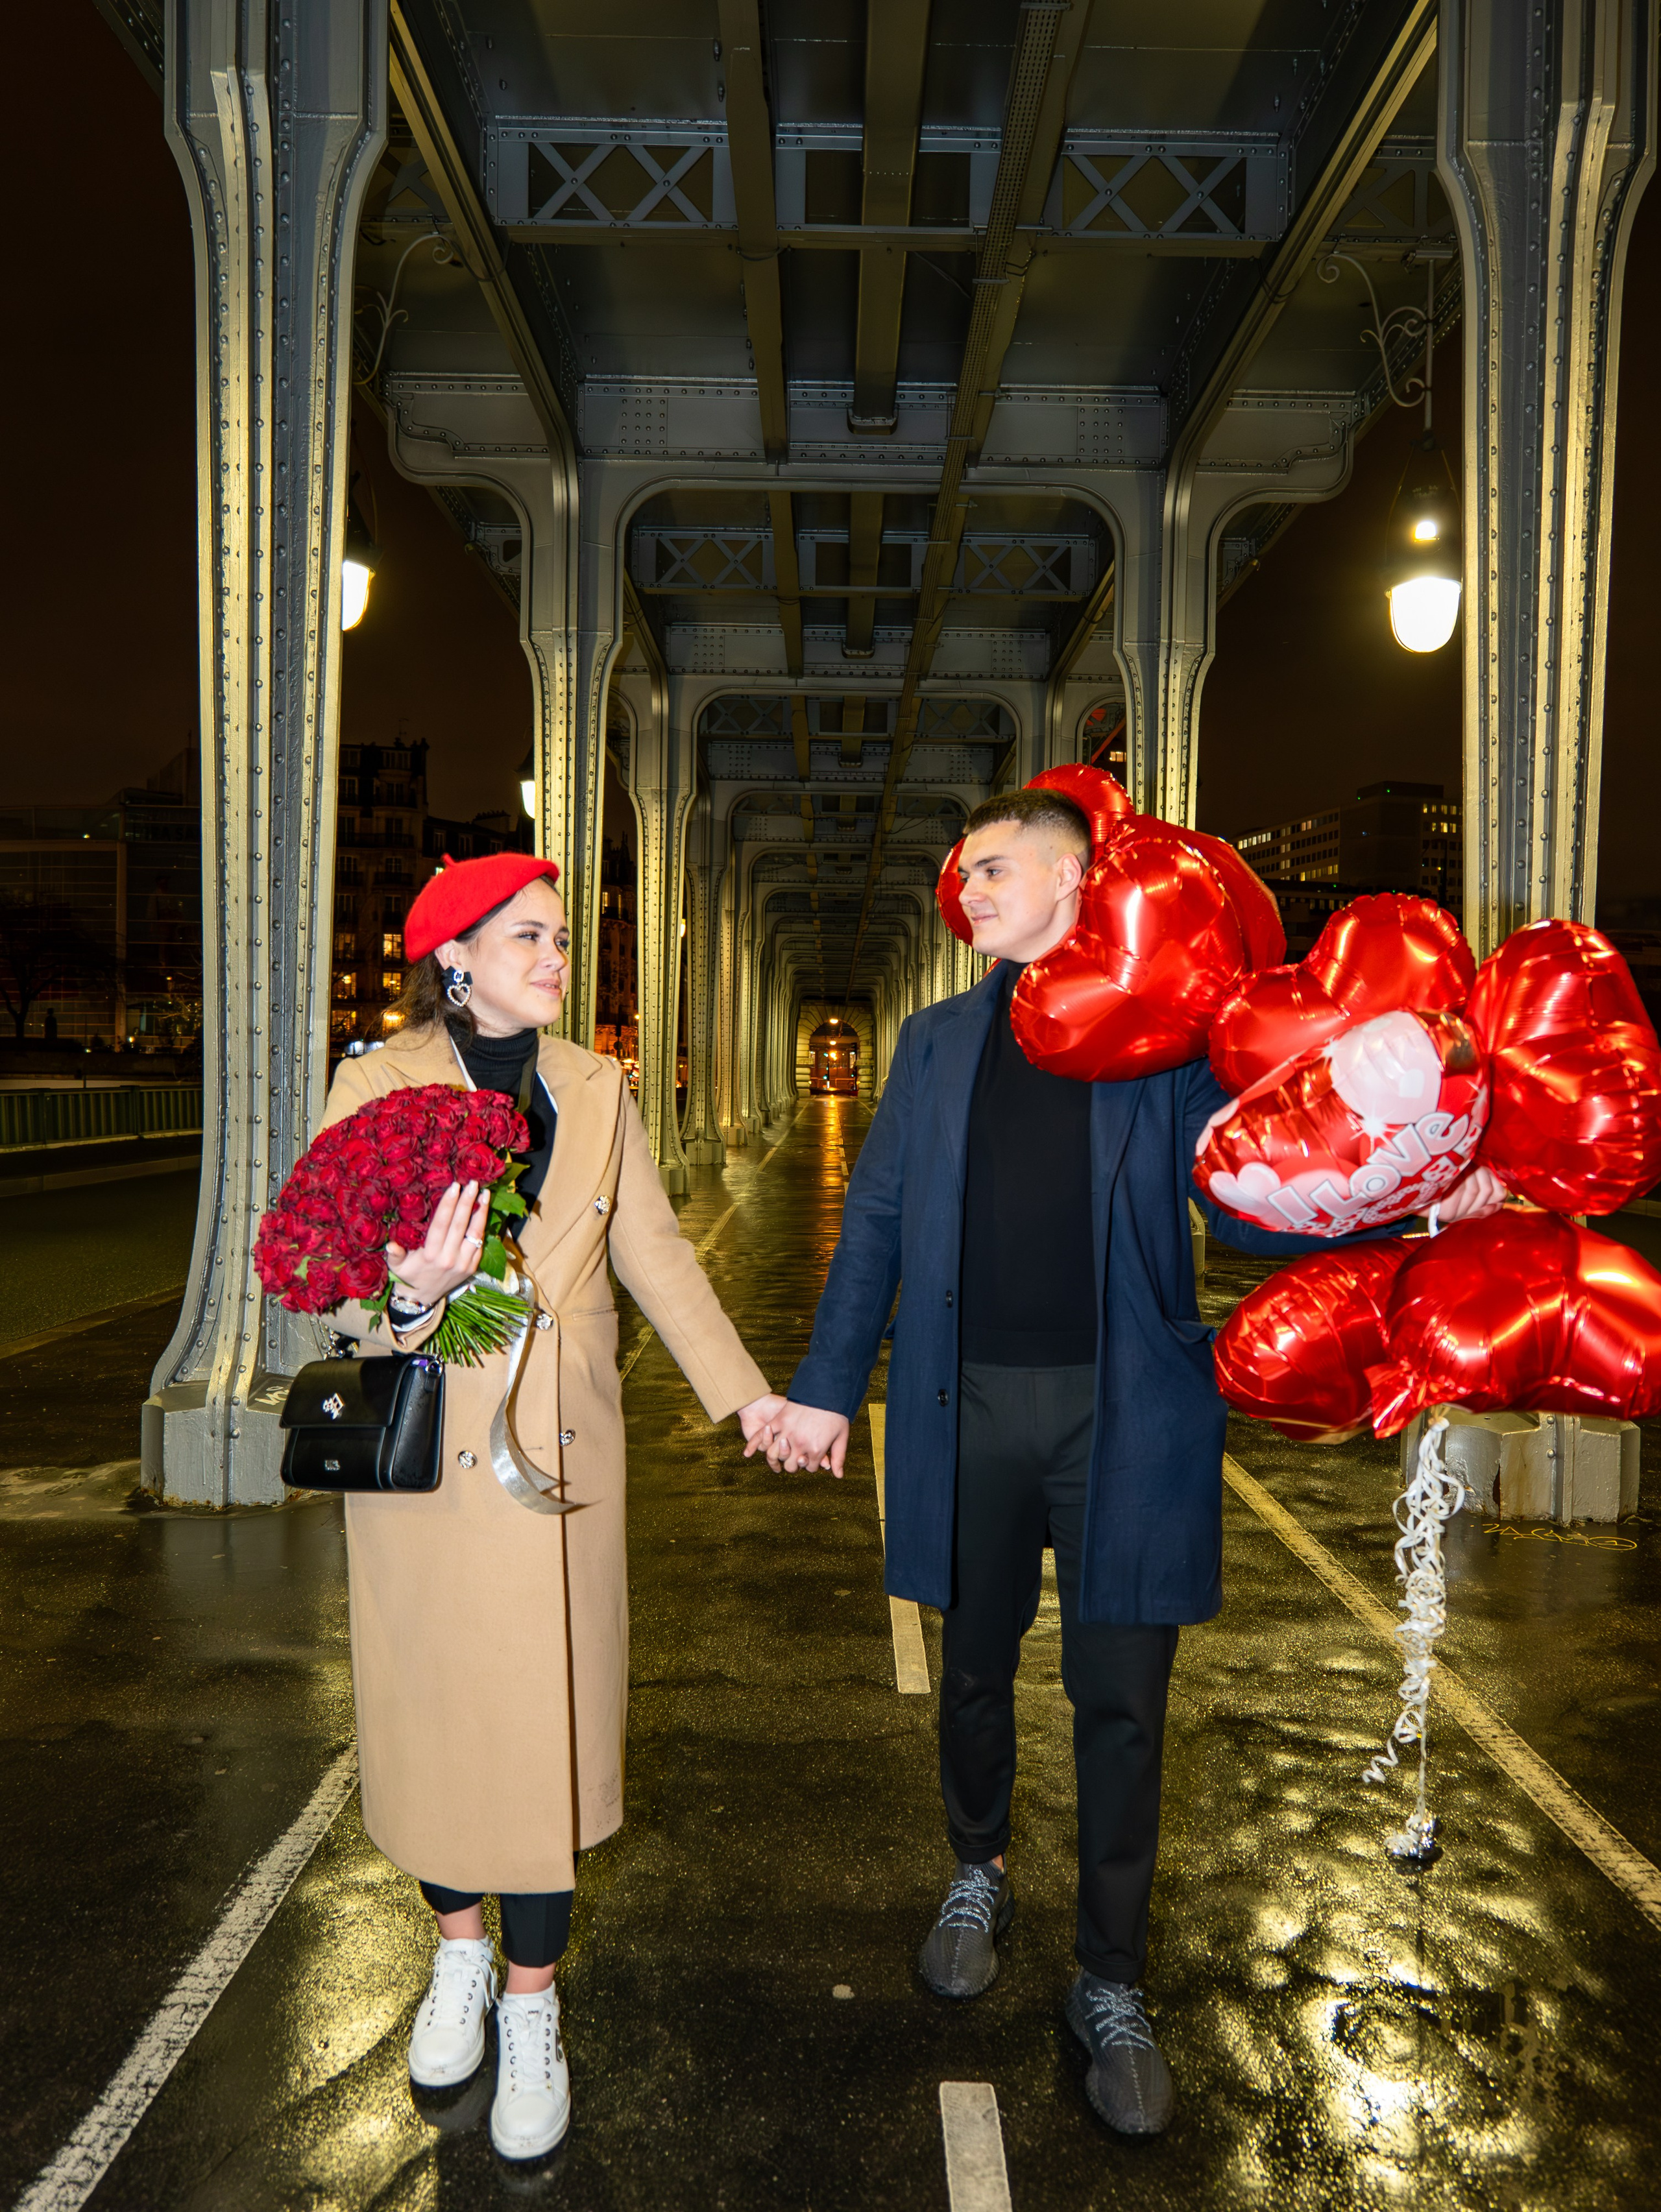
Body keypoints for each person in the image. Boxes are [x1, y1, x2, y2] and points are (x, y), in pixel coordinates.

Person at [758, 788, 1505, 2138]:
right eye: (962, 873)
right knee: (971, 1664)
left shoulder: (1161, 1049)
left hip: (1126, 1412)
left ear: (1072, 880)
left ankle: (1109, 1979)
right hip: (967, 1401)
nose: (969, 891)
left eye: (994, 869)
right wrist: (822, 1387)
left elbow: (1255, 1194)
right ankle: (977, 1867)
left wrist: (1417, 1198)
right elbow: (876, 1215)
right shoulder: (935, 1042)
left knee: (1121, 1702)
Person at [315, 850, 784, 2161]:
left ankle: (531, 2002)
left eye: (564, 938)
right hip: (427, 1464)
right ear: (455, 956)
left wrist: (746, 1397)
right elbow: (326, 1267)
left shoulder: (598, 1086)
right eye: (529, 936)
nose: (558, 957)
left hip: (563, 1464)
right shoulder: (377, 1084)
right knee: (440, 1729)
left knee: (547, 1737)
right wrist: (407, 1293)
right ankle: (457, 1952)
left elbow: (655, 1253)